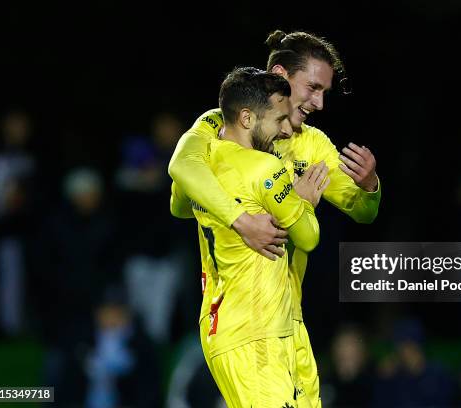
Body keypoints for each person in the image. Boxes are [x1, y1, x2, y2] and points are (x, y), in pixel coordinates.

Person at [168, 30, 381, 407]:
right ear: (281, 76)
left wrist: (370, 185)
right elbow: (181, 169)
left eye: (324, 93)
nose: (318, 103)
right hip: (243, 321)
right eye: (313, 88)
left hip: (288, 320)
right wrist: (239, 219)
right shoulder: (220, 127)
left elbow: (363, 211)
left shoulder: (312, 144)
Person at [172, 67, 325, 407]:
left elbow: (178, 206)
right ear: (245, 118)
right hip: (255, 334)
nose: (285, 130)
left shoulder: (204, 161)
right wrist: (304, 202)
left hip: (228, 326)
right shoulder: (265, 168)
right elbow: (309, 237)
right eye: (277, 120)